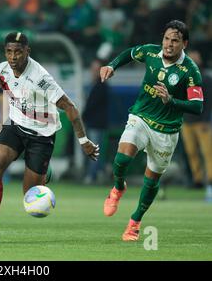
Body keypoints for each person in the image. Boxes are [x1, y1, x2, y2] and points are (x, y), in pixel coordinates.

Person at [0, 32, 99, 243]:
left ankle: (44, 174)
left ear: (27, 52)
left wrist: (84, 141)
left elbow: (69, 107)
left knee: (30, 196)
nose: (13, 57)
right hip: (15, 126)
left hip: (42, 134)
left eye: (18, 52)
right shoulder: (1, 70)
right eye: (9, 52)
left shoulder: (40, 78)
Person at [100, 20, 203, 241]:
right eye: (166, 39)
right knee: (122, 158)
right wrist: (112, 65)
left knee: (151, 180)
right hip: (141, 118)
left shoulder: (190, 71)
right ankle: (118, 187)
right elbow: (130, 53)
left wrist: (171, 100)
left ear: (184, 43)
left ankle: (134, 223)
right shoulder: (151, 52)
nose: (169, 44)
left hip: (166, 131)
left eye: (175, 40)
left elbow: (197, 106)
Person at [181, 50, 212, 201]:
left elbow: (209, 102)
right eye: (191, 57)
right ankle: (198, 180)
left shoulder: (205, 78)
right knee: (191, 152)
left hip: (202, 122)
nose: (193, 59)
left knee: (208, 153)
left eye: (195, 57)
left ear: (200, 60)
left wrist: (207, 120)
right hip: (186, 122)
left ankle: (211, 180)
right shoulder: (184, 76)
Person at [82, 58, 110, 184]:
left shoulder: (100, 86)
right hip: (95, 124)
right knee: (96, 151)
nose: (93, 72)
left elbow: (91, 106)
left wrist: (82, 117)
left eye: (96, 69)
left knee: (94, 152)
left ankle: (92, 176)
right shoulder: (95, 86)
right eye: (92, 69)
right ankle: (99, 174)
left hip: (96, 124)